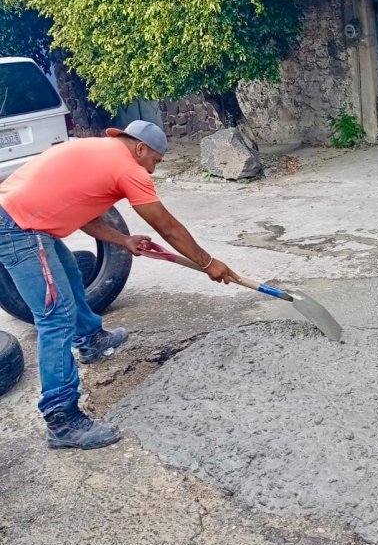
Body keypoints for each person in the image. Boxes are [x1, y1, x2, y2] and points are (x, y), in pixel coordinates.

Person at [0, 120, 238, 451]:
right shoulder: (128, 168)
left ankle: (91, 340)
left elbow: (83, 215)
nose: (153, 171)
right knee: (55, 317)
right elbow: (167, 226)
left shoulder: (98, 151)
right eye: (156, 161)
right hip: (19, 229)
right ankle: (62, 421)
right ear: (141, 148)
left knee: (69, 272)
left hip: (23, 220)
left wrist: (124, 240)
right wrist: (208, 263)